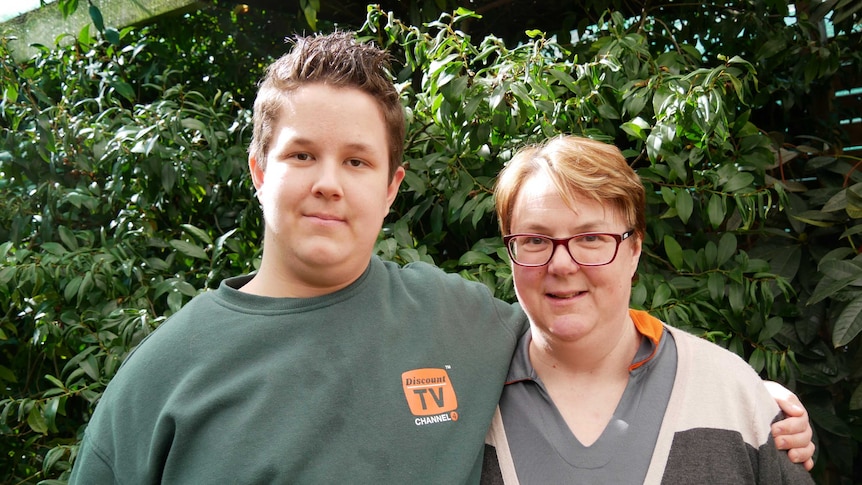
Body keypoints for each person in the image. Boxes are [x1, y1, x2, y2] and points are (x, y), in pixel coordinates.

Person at [68, 32, 813, 484]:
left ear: (392, 187)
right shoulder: (161, 377)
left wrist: (753, 398)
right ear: (260, 170)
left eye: (358, 161)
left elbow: (576, 312)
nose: (329, 181)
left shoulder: (452, 321)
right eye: (303, 154)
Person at [482, 135, 814, 484]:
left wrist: (756, 403)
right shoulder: (468, 404)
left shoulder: (733, 399)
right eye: (534, 240)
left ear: (634, 250)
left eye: (591, 238)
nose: (562, 265)